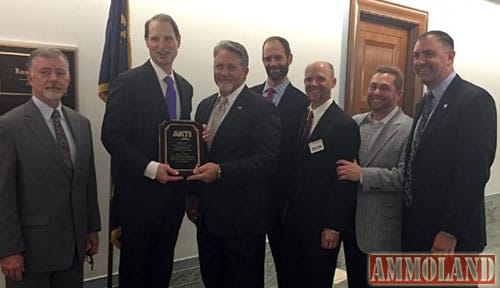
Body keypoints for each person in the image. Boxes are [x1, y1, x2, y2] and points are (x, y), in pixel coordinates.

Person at [101, 14, 193, 288]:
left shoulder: (185, 87)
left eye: (168, 38)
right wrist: (152, 168)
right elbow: (112, 137)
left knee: (162, 266)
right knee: (136, 270)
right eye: (155, 38)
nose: (162, 45)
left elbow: (179, 136)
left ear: (178, 42)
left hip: (173, 196)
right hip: (139, 197)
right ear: (146, 42)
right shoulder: (127, 82)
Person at [0, 47, 101, 287]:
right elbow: (3, 194)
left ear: (68, 79)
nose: (53, 78)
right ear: (30, 78)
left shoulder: (81, 123)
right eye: (45, 72)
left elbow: (88, 181)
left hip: (74, 248)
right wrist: (8, 249)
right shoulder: (9, 126)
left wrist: (92, 228)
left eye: (60, 72)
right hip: (31, 253)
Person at [186, 40, 281, 288]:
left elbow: (267, 161)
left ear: (245, 71)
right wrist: (192, 196)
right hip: (207, 218)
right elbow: (199, 156)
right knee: (212, 279)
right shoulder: (205, 106)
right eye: (219, 66)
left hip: (243, 221)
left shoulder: (262, 108)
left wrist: (221, 172)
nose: (223, 73)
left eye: (231, 67)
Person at [403, 30, 496, 257]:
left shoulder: (474, 100)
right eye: (416, 56)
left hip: (451, 239)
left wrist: (449, 231)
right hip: (419, 229)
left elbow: (473, 173)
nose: (420, 61)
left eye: (428, 54)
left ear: (450, 56)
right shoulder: (424, 103)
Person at [284, 61, 360, 288]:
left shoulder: (344, 124)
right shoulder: (302, 115)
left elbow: (343, 182)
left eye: (320, 78)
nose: (313, 84)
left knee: (317, 279)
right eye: (308, 79)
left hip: (322, 224)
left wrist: (333, 226)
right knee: (294, 276)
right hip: (294, 219)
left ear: (333, 82)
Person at [336, 65, 413, 287]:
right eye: (373, 86)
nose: (376, 92)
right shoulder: (355, 122)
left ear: (399, 94)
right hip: (352, 227)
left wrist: (363, 175)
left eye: (384, 88)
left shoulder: (409, 128)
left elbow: (404, 177)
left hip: (384, 229)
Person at [250, 36, 308, 287]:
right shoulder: (248, 95)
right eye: (267, 58)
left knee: (288, 266)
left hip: (284, 202)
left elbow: (301, 157)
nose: (273, 63)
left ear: (289, 59)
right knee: (248, 264)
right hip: (248, 197)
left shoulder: (304, 103)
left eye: (278, 57)